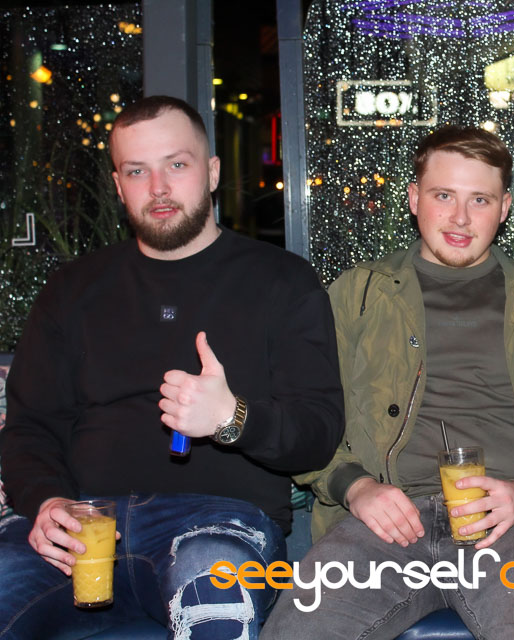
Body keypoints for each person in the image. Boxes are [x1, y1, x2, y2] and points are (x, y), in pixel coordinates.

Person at [0, 95, 345, 639]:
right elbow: (29, 428)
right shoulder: (72, 290)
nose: (158, 188)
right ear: (118, 186)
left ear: (212, 173)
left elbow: (318, 434)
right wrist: (48, 502)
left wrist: (232, 418)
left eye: (176, 164)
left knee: (214, 601)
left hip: (220, 524)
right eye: (137, 171)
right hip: (83, 526)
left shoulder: (282, 281)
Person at [262, 126, 514, 639]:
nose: (460, 218)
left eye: (480, 200)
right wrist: (355, 487)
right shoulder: (360, 294)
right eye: (444, 195)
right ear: (414, 198)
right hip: (384, 523)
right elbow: (303, 416)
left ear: (505, 208)